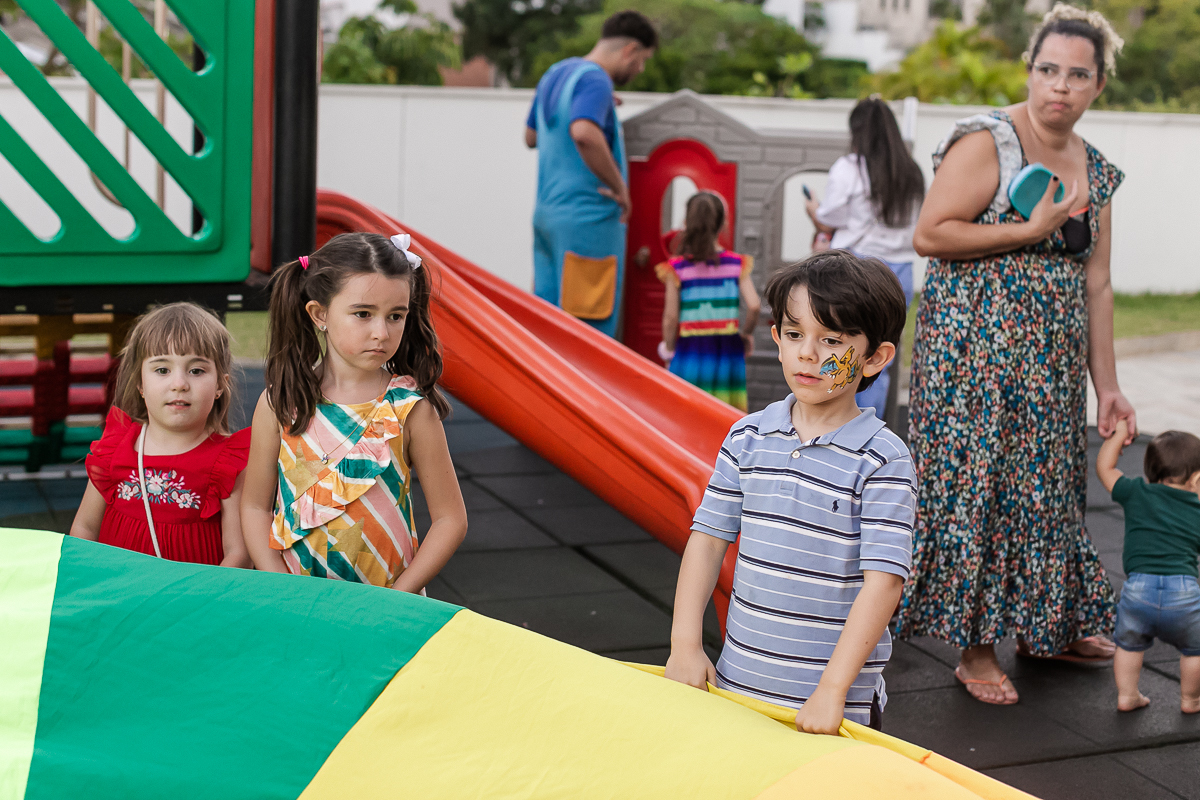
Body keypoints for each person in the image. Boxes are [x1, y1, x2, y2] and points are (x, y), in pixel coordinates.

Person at [897, 4, 1137, 705]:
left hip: (1051, 365)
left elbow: (1097, 282)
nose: (1060, 86)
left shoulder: (1096, 171)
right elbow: (930, 234)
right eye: (1048, 69)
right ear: (1029, 71)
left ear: (1099, 85)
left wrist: (1108, 386)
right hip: (972, 357)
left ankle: (1047, 628)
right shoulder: (988, 142)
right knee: (980, 490)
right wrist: (1027, 231)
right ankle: (974, 650)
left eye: (1078, 75)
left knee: (1049, 488)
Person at [665, 251, 914, 733]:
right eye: (796, 335)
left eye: (831, 340)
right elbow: (707, 541)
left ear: (875, 358)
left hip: (832, 706)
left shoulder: (882, 459)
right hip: (738, 687)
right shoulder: (747, 438)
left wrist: (832, 691)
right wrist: (685, 645)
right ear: (777, 339)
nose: (808, 353)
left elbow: (884, 582)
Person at [241, 232, 467, 591]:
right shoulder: (280, 403)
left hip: (387, 605)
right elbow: (254, 507)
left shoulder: (411, 410)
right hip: (296, 604)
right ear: (320, 314)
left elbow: (450, 519)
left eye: (396, 316)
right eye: (363, 314)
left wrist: (399, 596)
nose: (382, 332)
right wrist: (282, 589)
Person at [70, 302, 250, 567]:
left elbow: (239, 554)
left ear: (220, 385)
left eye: (196, 370)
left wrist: (206, 594)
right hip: (119, 589)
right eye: (162, 370)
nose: (179, 384)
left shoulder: (228, 463)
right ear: (140, 383)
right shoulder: (115, 447)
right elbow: (85, 529)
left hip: (193, 592)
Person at [524, 10, 657, 338]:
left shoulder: (555, 74)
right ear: (630, 50)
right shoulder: (596, 79)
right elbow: (583, 132)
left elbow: (531, 137)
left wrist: (600, 104)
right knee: (585, 333)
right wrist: (620, 188)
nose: (640, 70)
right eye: (642, 60)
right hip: (587, 222)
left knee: (546, 327)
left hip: (547, 218)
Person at [804, 97, 924, 420]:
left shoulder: (850, 167)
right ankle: (868, 428)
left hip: (858, 270)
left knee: (840, 348)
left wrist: (813, 210)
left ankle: (835, 424)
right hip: (900, 272)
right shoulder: (911, 171)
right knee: (877, 358)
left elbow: (829, 217)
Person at [1096, 420, 1200, 714]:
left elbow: (1104, 468)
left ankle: (1127, 695)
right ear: (1196, 479)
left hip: (1138, 591)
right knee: (1195, 650)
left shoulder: (1135, 492)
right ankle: (1191, 700)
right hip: (1183, 594)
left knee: (1129, 646)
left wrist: (1118, 437)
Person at [656, 192, 760, 411]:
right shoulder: (736, 264)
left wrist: (669, 350)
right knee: (724, 413)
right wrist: (746, 335)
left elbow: (670, 318)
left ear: (687, 223)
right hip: (727, 350)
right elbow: (754, 306)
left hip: (690, 350)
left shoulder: (678, 268)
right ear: (722, 224)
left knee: (685, 410)